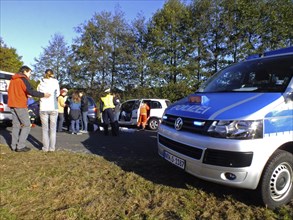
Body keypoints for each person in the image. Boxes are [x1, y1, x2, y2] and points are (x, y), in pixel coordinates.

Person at [7, 65, 51, 152]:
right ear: (25, 71)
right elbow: (30, 90)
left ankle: (13, 145)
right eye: (29, 73)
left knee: (16, 125)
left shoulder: (13, 79)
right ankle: (20, 146)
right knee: (27, 125)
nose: (30, 75)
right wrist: (43, 95)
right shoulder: (23, 79)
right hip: (20, 105)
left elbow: (12, 91)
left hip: (12, 104)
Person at [37, 69, 60, 152]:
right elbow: (57, 94)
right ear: (52, 74)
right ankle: (52, 148)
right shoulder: (55, 82)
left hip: (43, 107)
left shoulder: (41, 83)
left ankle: (45, 148)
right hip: (53, 107)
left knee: (45, 129)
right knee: (53, 129)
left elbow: (38, 93)